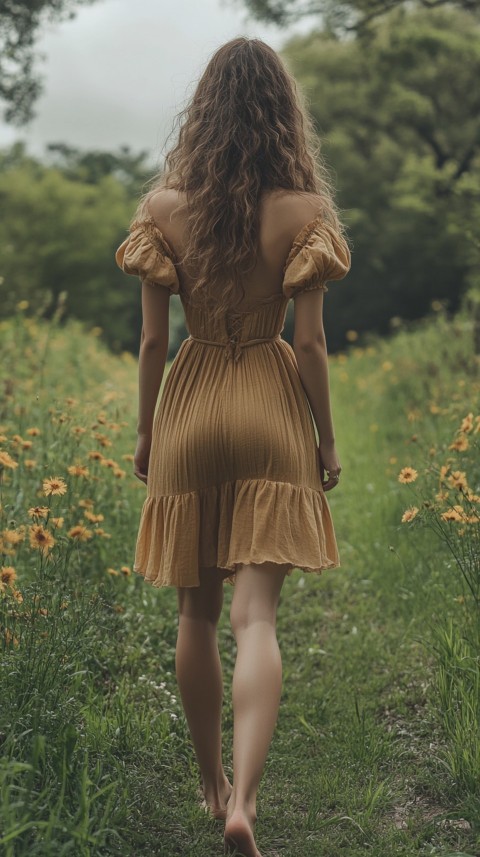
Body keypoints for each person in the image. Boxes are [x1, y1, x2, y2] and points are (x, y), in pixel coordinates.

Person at [115, 36, 351, 857]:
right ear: (284, 112)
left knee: (197, 610)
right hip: (268, 402)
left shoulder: (163, 208)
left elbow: (151, 344)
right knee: (256, 620)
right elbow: (314, 347)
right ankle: (248, 800)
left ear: (203, 112)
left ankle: (210, 782)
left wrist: (148, 431)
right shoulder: (304, 212)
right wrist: (325, 441)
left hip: (192, 401)